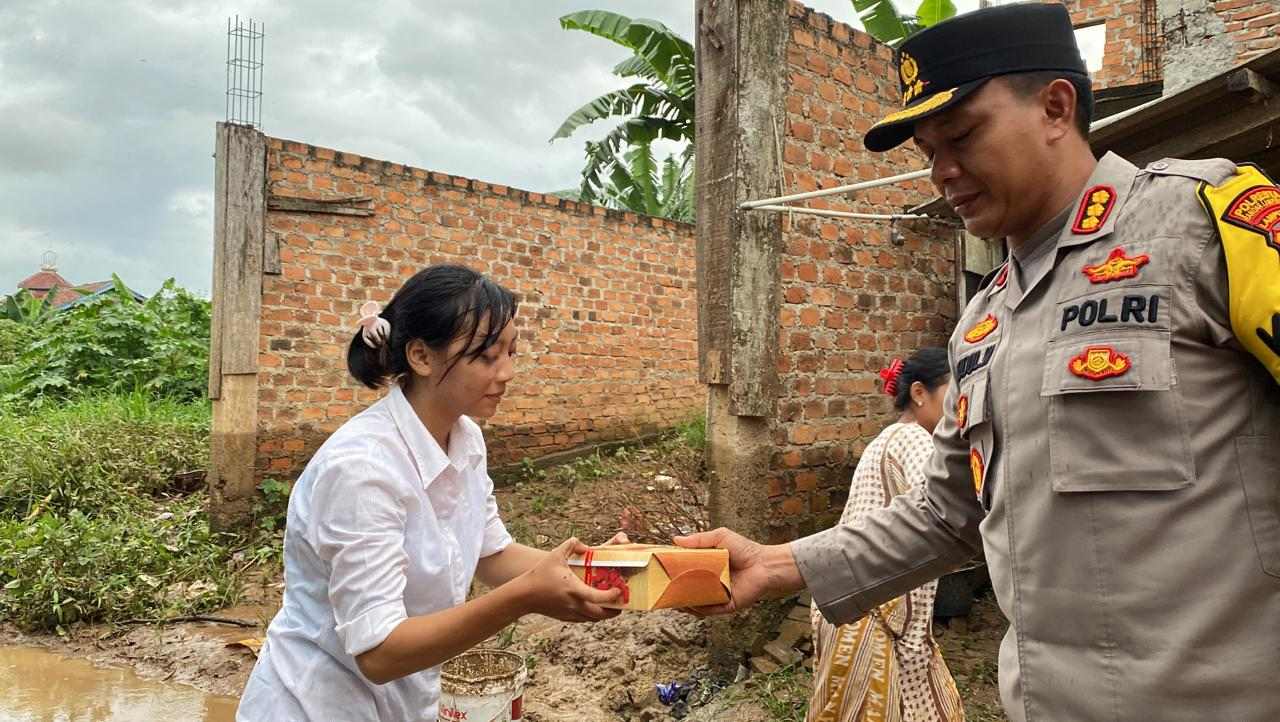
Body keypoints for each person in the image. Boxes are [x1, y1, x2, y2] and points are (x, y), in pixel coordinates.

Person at [676, 4, 1280, 721]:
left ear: (1055, 107)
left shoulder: (1203, 227)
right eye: (928, 152)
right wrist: (775, 563)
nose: (943, 172)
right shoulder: (982, 322)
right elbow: (945, 512)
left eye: (962, 136)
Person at [237, 265, 625, 722]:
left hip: (405, 701)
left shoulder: (465, 438)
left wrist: (592, 570)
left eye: (512, 352)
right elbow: (379, 653)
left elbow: (491, 554)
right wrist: (524, 597)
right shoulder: (361, 470)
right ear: (421, 356)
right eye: (486, 356)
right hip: (315, 705)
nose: (507, 372)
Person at [808, 349, 964, 722]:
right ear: (919, 393)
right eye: (953, 394)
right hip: (875, 617)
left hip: (863, 609)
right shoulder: (916, 440)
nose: (961, 408)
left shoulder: (884, 439)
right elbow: (945, 506)